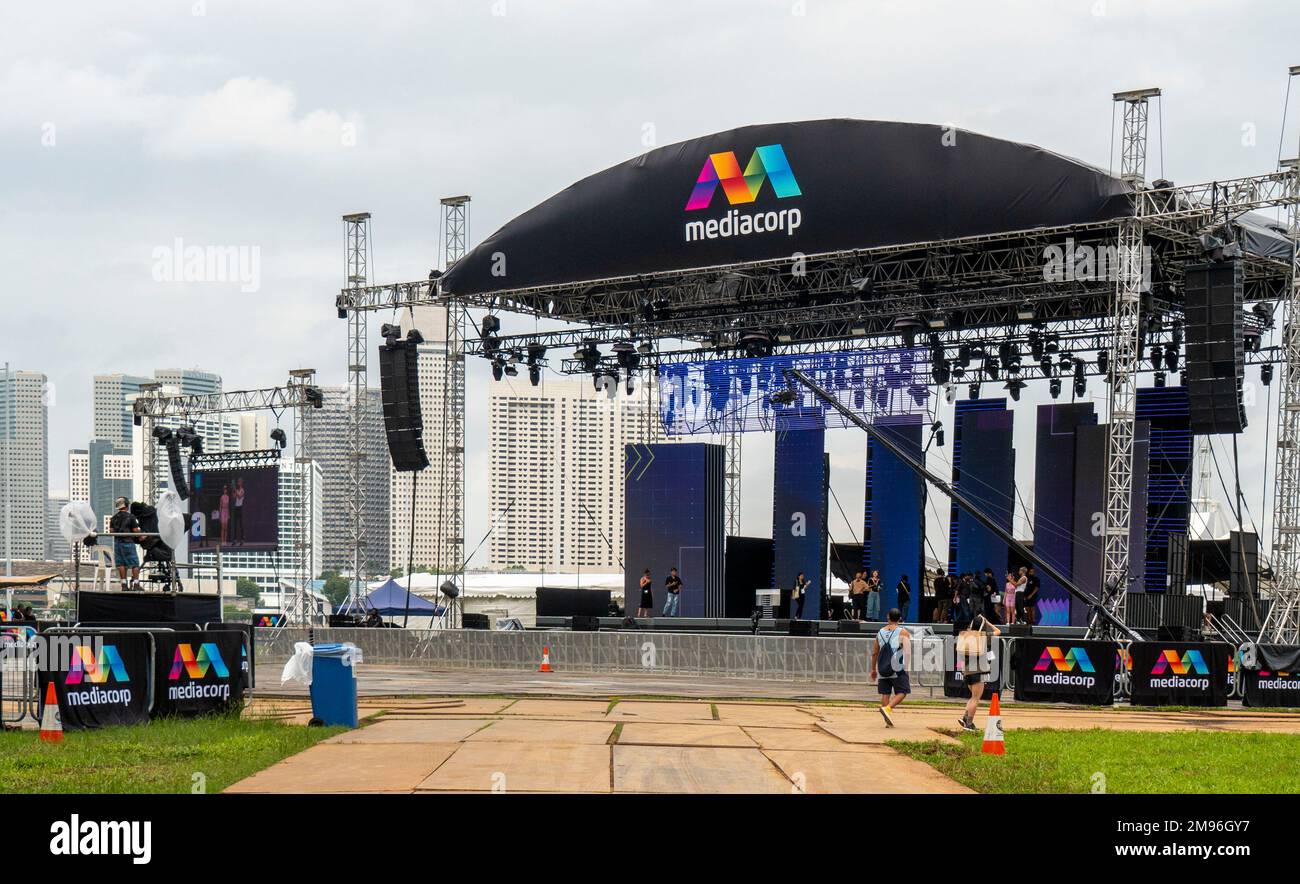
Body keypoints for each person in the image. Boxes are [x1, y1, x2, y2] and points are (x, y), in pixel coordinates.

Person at [957, 609, 1001, 732]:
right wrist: (988, 623)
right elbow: (998, 631)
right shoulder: (984, 637)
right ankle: (969, 723)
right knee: (976, 698)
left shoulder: (965, 635)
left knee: (972, 697)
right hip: (978, 671)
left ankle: (965, 718)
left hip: (966, 671)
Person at [870, 607, 912, 727]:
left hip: (883, 666)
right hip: (897, 667)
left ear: (888, 616)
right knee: (903, 691)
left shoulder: (880, 632)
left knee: (885, 693)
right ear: (899, 619)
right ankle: (888, 709)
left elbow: (875, 653)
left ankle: (887, 719)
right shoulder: (903, 632)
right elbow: (907, 652)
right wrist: (907, 668)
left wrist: (873, 669)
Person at [109, 497, 142, 591]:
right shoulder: (130, 517)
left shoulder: (114, 518)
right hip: (128, 543)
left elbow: (111, 531)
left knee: (121, 564)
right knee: (135, 564)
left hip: (117, 544)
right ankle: (136, 584)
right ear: (127, 505)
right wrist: (141, 534)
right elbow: (135, 530)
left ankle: (124, 585)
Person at [231, 477, 246, 545]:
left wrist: (235, 490)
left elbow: (240, 496)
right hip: (236, 508)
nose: (238, 483)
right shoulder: (236, 489)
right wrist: (233, 490)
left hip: (240, 508)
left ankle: (242, 539)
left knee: (240, 524)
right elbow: (234, 496)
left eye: (239, 482)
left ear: (241, 483)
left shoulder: (242, 490)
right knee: (235, 524)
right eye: (238, 482)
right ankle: (234, 540)